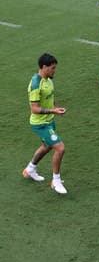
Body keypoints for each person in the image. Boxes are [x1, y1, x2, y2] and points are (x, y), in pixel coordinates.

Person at [22, 53, 68, 194]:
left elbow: (49, 98)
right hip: (40, 124)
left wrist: (56, 107)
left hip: (49, 120)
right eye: (52, 68)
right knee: (60, 148)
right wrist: (53, 111)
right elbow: (34, 109)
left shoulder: (48, 79)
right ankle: (56, 181)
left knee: (47, 146)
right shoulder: (36, 84)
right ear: (44, 67)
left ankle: (30, 169)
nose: (55, 71)